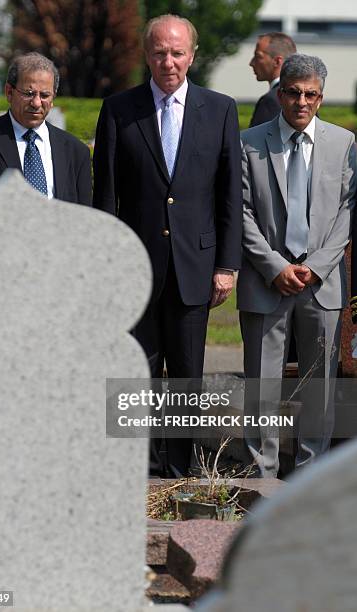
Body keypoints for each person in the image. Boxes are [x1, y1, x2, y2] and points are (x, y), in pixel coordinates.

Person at [93, 14, 242, 476]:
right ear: (147, 54)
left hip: (195, 268)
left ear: (192, 55)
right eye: (159, 51)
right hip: (136, 271)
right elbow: (106, 197)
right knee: (137, 376)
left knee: (185, 377)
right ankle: (133, 469)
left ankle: (180, 471)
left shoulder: (219, 109)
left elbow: (229, 195)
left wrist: (227, 265)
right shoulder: (119, 109)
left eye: (177, 52)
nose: (168, 61)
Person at [238, 54, 356, 477]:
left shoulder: (343, 145)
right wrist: (275, 266)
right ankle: (261, 476)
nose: (301, 102)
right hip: (266, 281)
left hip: (320, 285)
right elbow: (242, 211)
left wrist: (317, 266)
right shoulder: (249, 142)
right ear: (280, 93)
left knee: (319, 390)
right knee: (262, 388)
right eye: (293, 92)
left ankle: (311, 476)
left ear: (321, 98)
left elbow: (347, 210)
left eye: (310, 94)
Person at [0, 52, 92, 205]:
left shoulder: (75, 151)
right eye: (29, 93)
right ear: (9, 92)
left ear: (53, 99)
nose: (37, 103)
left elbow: (83, 217)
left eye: (44, 95)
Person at [249, 32, 296, 127]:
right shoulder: (306, 97)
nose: (251, 63)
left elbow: (257, 140)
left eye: (258, 56)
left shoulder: (272, 100)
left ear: (277, 61)